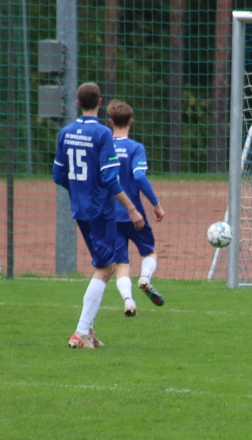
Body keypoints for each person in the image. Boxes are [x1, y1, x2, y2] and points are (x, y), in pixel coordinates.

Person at [53, 83, 145, 349]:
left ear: (78, 103)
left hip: (80, 209)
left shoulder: (65, 132)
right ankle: (81, 332)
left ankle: (89, 329)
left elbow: (59, 175)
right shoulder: (103, 134)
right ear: (100, 102)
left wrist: (79, 192)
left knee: (105, 266)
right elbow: (110, 179)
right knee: (105, 268)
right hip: (101, 211)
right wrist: (131, 208)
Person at [107, 100, 166, 308]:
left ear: (111, 122)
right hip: (135, 215)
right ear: (130, 122)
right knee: (149, 252)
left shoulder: (103, 148)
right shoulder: (135, 148)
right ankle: (145, 278)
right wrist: (156, 204)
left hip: (110, 215)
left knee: (121, 263)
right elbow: (139, 176)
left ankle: (128, 300)